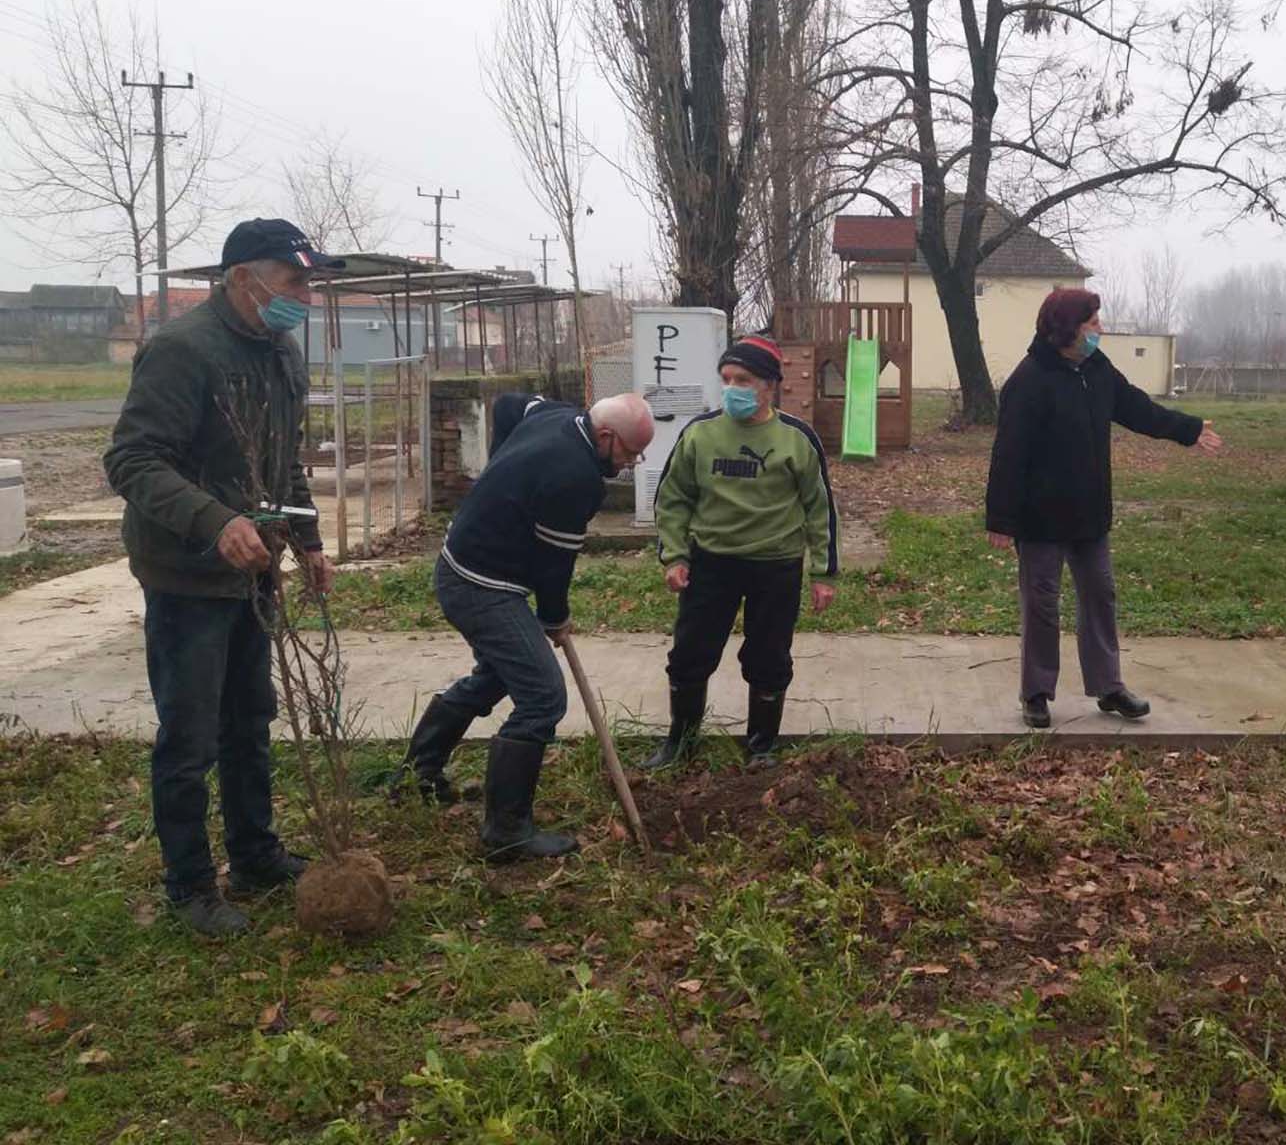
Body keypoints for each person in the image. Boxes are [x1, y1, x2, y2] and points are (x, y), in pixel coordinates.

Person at [104, 217, 344, 938]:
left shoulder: (280, 351)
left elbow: (283, 459)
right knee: (191, 736)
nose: (305, 297)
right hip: (187, 575)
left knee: (250, 719)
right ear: (243, 278)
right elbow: (133, 460)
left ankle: (254, 855)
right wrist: (214, 521)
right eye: (294, 281)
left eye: (309, 285)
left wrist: (308, 541)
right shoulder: (182, 351)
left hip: (255, 570)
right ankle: (189, 886)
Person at [396, 392, 655, 861]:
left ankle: (418, 774)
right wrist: (554, 618)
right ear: (605, 435)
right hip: (481, 586)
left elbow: (511, 405)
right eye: (630, 452)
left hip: (464, 565)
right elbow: (554, 567)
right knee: (542, 696)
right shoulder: (576, 479)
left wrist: (500, 472)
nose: (631, 463)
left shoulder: (557, 415)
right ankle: (506, 832)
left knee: (497, 676)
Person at [985, 288, 1224, 729]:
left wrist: (1188, 430)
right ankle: (1036, 693)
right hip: (1040, 519)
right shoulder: (1029, 379)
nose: (1100, 329)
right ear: (1069, 328)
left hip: (1089, 515)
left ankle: (1109, 687)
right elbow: (1008, 455)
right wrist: (1000, 519)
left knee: (1100, 595)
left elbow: (1138, 409)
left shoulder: (1097, 369)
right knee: (1042, 604)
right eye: (1093, 322)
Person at [647, 334, 839, 768]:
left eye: (744, 379)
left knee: (769, 656)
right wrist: (675, 556)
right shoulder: (700, 434)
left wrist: (824, 573)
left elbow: (820, 508)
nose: (732, 388)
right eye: (727, 378)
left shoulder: (797, 439)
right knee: (690, 653)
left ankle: (761, 746)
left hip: (776, 566)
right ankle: (680, 742)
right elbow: (673, 498)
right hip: (711, 563)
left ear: (769, 385)